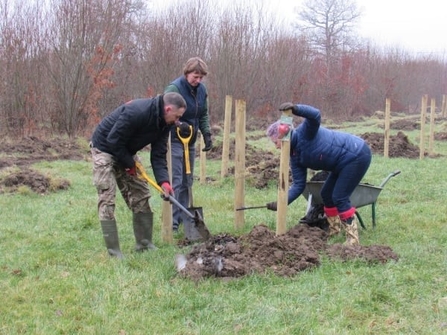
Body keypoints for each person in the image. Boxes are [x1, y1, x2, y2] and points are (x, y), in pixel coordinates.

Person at [90, 92, 187, 258]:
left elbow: (158, 154)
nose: (178, 120)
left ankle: (144, 244)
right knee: (107, 198)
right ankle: (114, 252)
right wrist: (129, 164)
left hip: (125, 150)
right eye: (177, 116)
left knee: (141, 193)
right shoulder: (138, 111)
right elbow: (113, 140)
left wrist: (164, 181)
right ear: (168, 108)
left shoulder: (166, 124)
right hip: (104, 148)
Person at [265, 103, 372, 246]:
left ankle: (353, 240)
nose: (276, 146)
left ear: (284, 135)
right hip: (339, 164)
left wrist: (296, 108)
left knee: (339, 196)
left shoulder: (305, 133)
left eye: (276, 142)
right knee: (326, 194)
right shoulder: (294, 157)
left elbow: (315, 115)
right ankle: (334, 230)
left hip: (356, 154)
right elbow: (299, 185)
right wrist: (282, 203)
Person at [164, 57, 213, 232]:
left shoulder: (202, 90)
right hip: (175, 139)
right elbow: (165, 112)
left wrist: (206, 133)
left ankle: (186, 217)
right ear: (187, 73)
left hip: (190, 140)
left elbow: (203, 114)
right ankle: (173, 221)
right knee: (176, 180)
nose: (198, 80)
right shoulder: (175, 88)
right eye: (195, 76)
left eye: (201, 77)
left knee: (187, 180)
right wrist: (179, 124)